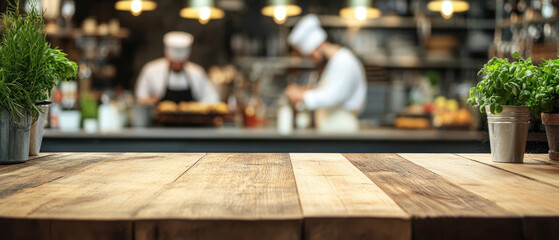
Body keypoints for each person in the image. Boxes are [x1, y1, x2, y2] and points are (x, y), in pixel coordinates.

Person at [284, 14, 367, 133]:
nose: (313, 60)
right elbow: (328, 91)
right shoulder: (334, 63)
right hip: (332, 130)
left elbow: (333, 96)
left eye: (312, 55)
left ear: (320, 45)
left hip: (342, 130)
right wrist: (306, 91)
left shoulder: (344, 61)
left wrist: (300, 95)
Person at [135, 31, 219, 105]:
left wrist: (196, 107)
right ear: (166, 55)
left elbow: (212, 98)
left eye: (181, 63)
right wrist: (149, 101)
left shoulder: (197, 72)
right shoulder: (151, 70)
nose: (177, 66)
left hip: (192, 121)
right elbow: (140, 98)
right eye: (173, 63)